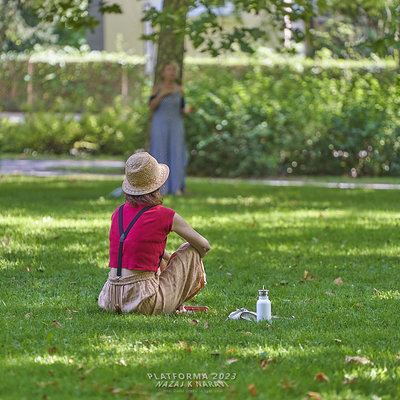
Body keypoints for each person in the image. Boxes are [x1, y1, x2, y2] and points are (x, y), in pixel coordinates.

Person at [98, 151, 210, 314]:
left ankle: (171, 299)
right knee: (190, 249)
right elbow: (204, 245)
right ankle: (176, 301)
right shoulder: (164, 214)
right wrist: (183, 262)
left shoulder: (119, 212)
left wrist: (167, 257)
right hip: (143, 300)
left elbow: (138, 246)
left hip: (110, 297)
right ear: (158, 184)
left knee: (158, 264)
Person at [149, 61, 191, 195]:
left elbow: (182, 108)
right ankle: (161, 187)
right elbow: (151, 106)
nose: (172, 72)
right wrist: (162, 94)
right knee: (159, 151)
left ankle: (177, 187)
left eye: (174, 69)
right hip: (160, 123)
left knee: (177, 152)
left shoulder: (180, 90)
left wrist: (189, 110)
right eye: (169, 69)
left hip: (176, 124)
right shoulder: (157, 88)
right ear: (163, 73)